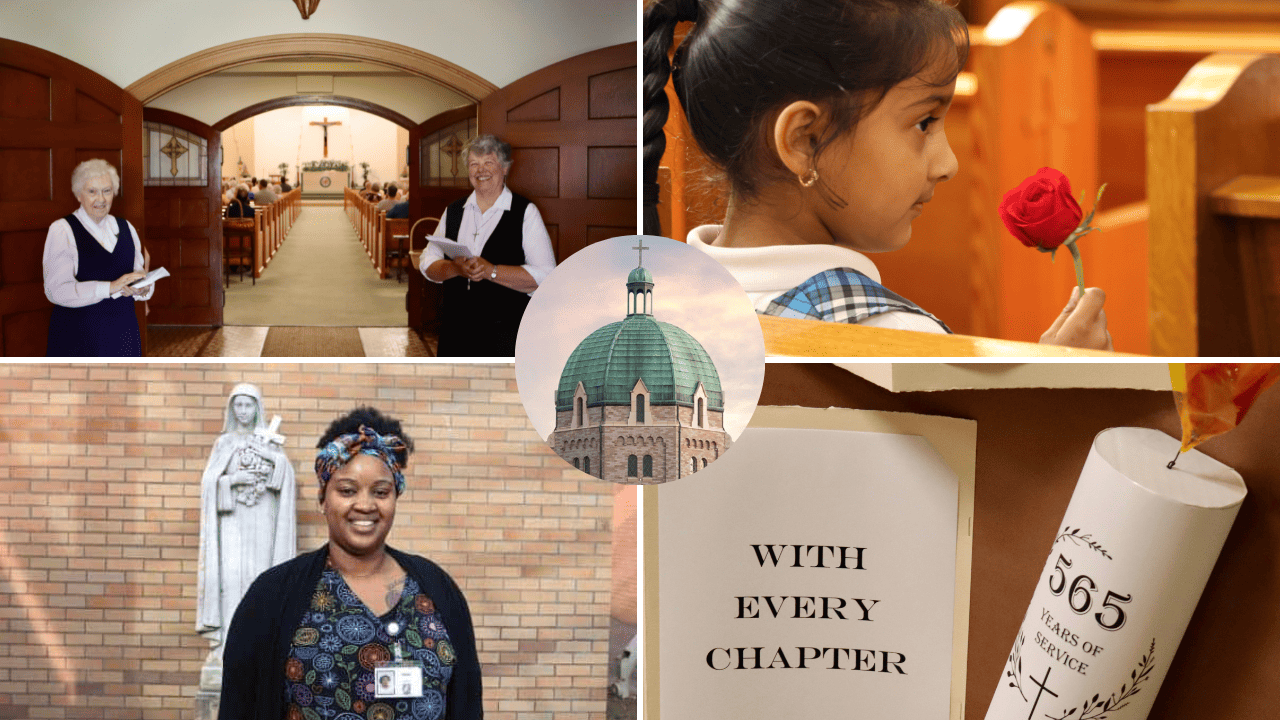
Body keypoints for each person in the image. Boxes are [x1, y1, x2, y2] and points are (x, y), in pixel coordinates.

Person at [642, 0, 1111, 350]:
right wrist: (1060, 395)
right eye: (923, 123)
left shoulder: (653, 311)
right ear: (805, 142)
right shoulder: (894, 340)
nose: (948, 164)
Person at [220, 407, 482, 720]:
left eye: (381, 492)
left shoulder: (437, 589)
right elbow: (239, 705)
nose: (365, 504)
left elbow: (466, 702)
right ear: (323, 498)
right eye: (347, 490)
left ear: (395, 497)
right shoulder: (272, 595)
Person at [418, 134, 556, 356]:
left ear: (505, 168)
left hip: (505, 336)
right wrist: (455, 268)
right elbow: (427, 263)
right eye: (474, 164)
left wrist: (490, 271)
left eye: (488, 163)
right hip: (455, 334)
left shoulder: (525, 212)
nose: (480, 170)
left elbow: (546, 276)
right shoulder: (453, 211)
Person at [196, 384, 296, 653]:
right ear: (231, 409)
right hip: (232, 522)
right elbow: (209, 484)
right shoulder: (224, 442)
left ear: (257, 408)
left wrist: (269, 457)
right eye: (238, 405)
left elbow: (284, 478)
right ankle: (228, 643)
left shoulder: (270, 441)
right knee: (230, 577)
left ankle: (259, 646)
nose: (243, 411)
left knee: (259, 575)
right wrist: (232, 480)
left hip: (263, 517)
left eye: (248, 405)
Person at [42, 158, 152, 356]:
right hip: (78, 339)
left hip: (124, 336)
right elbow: (56, 291)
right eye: (92, 191)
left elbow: (138, 278)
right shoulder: (62, 230)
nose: (100, 199)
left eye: (107, 191)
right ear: (78, 195)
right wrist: (110, 287)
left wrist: (142, 289)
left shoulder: (127, 228)